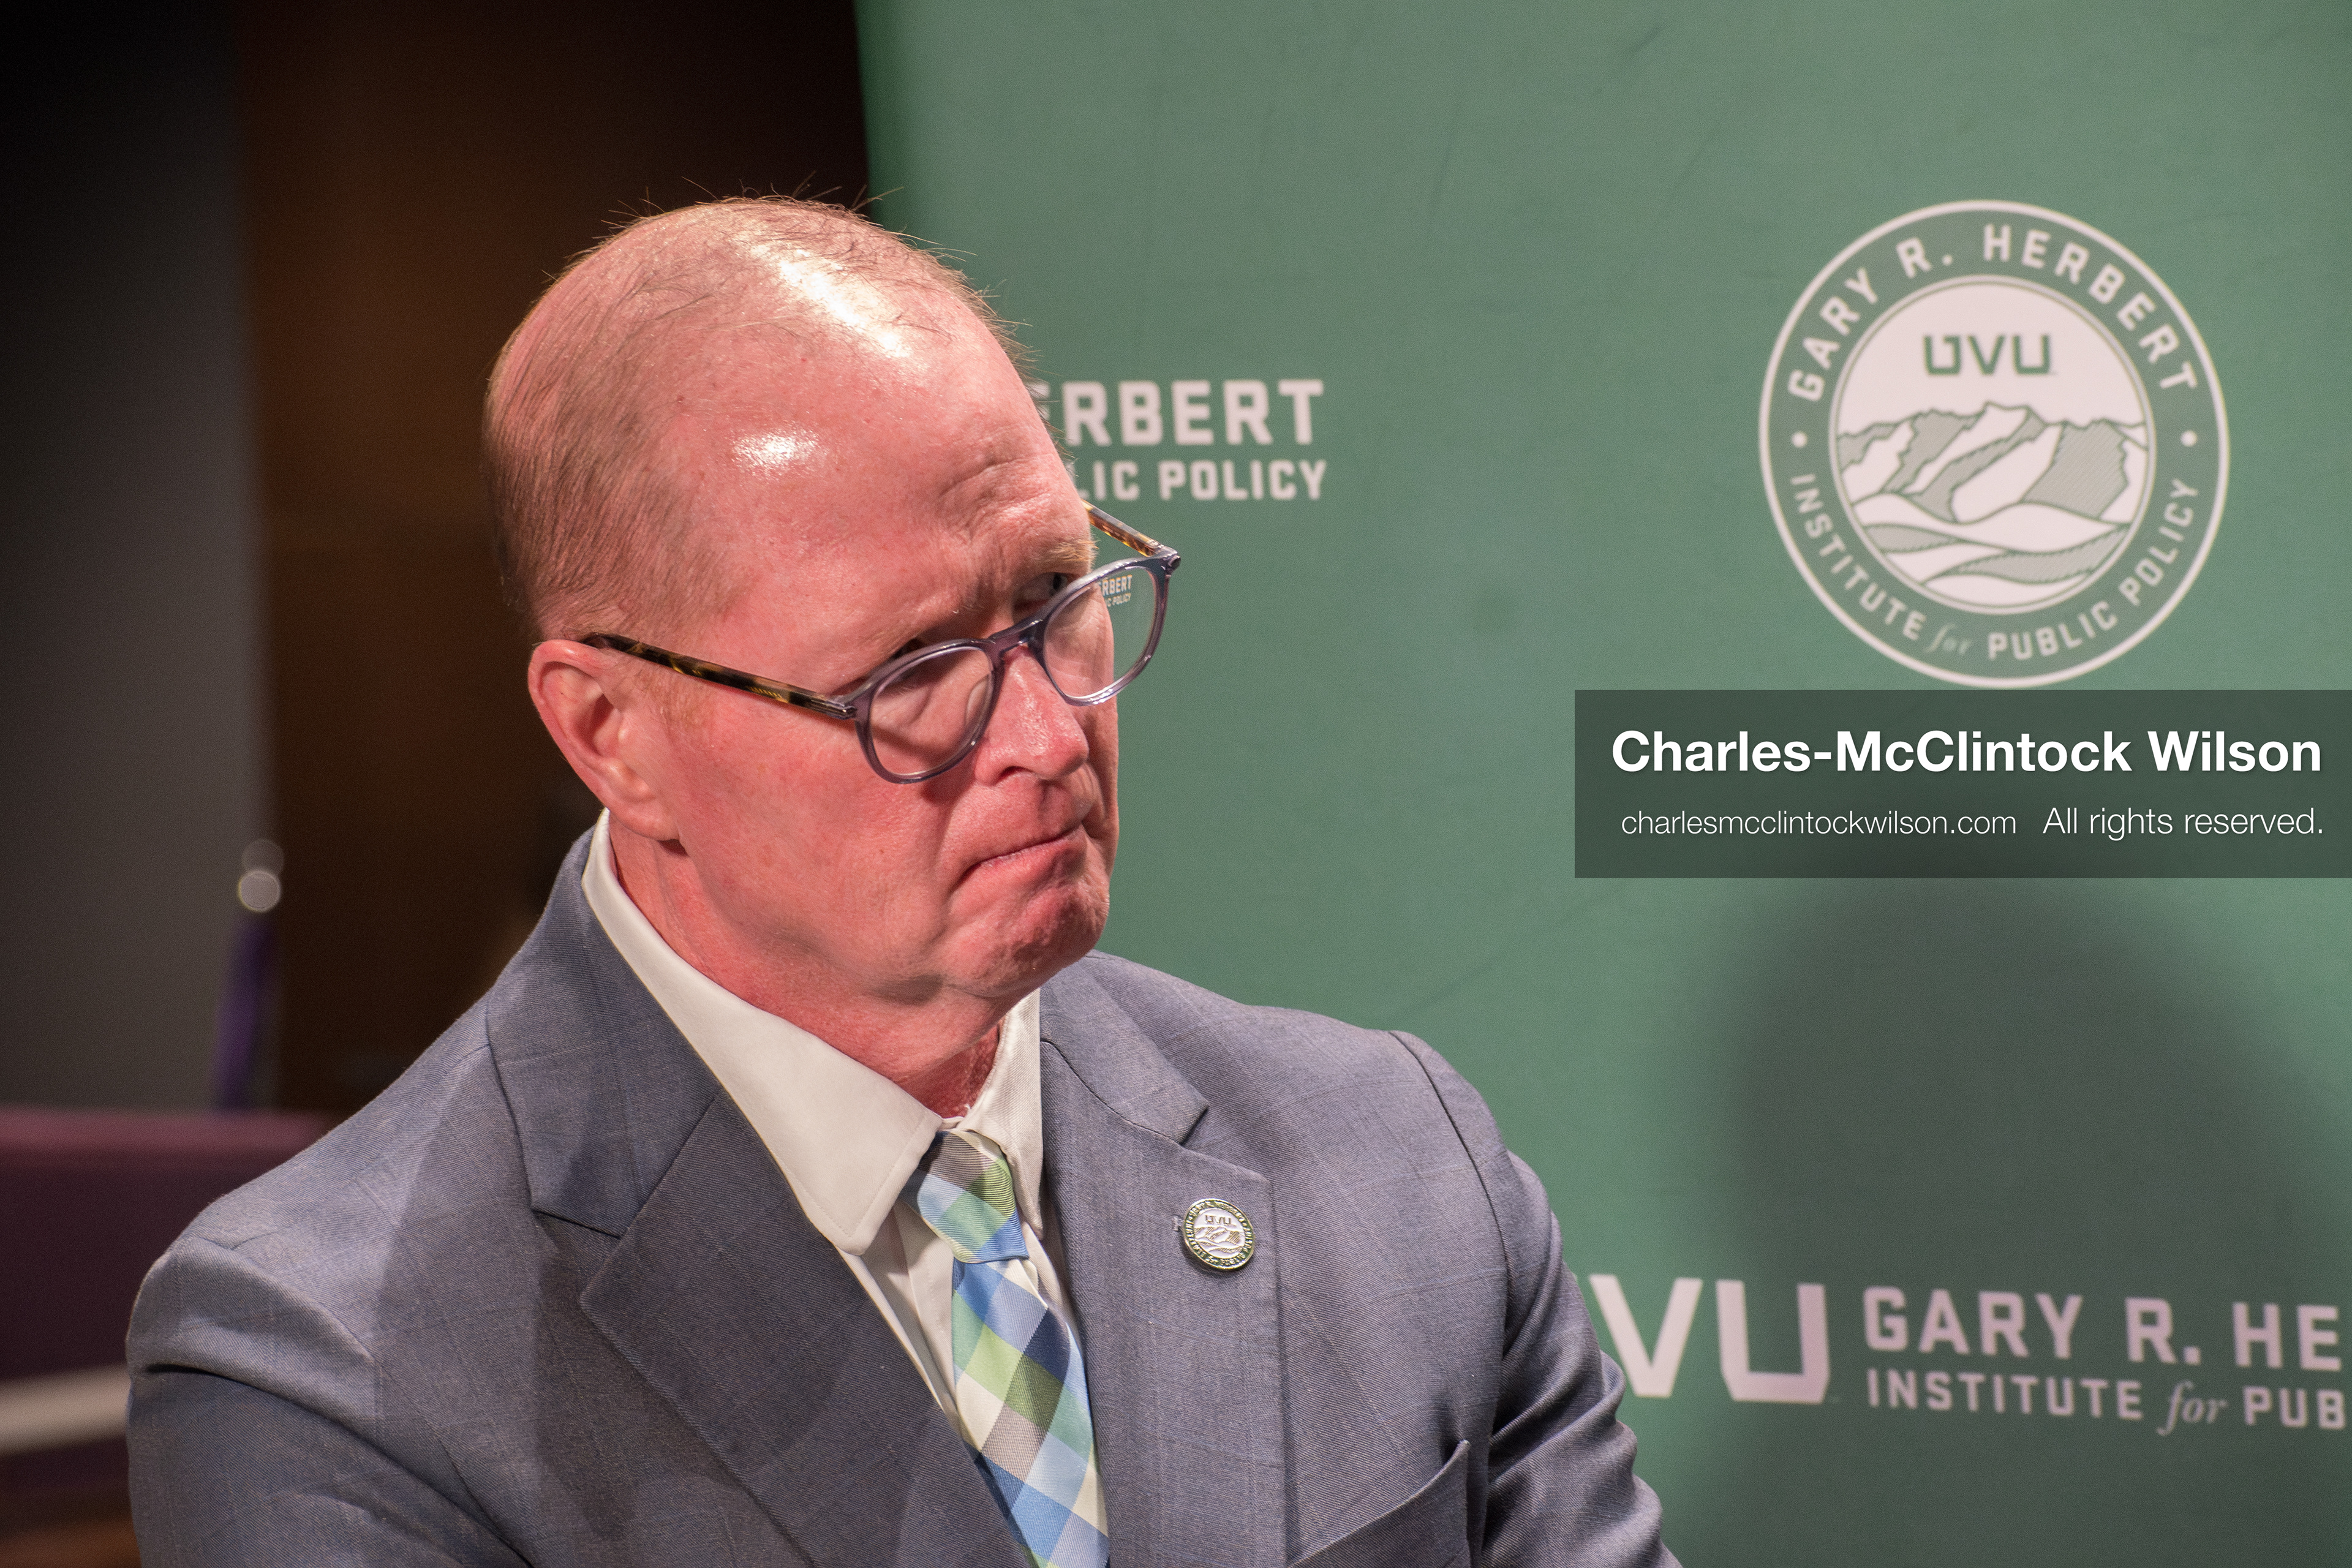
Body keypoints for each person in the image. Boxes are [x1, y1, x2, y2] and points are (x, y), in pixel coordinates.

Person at [127, 198, 1675, 1567]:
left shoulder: (1396, 1165)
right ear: (614, 734)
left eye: (1058, 596)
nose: (1049, 729)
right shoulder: (332, 1365)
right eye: (911, 675)